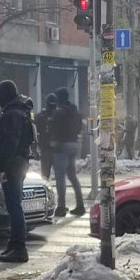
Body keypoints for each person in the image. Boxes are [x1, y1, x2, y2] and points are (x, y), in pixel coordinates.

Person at [0, 80, 34, 263]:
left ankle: (19, 247)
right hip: (20, 162)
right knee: (14, 205)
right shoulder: (21, 110)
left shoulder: (12, 114)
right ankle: (14, 244)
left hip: (13, 164)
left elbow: (10, 143)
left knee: (14, 206)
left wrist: (2, 167)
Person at [51, 89, 85, 217]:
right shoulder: (75, 112)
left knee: (60, 177)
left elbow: (56, 129)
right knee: (72, 176)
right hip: (74, 144)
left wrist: (54, 141)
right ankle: (80, 205)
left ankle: (61, 206)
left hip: (62, 145)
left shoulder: (59, 112)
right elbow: (79, 127)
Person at [35, 94, 60, 181]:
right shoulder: (41, 116)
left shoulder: (58, 116)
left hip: (56, 148)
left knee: (57, 174)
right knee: (45, 174)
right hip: (47, 148)